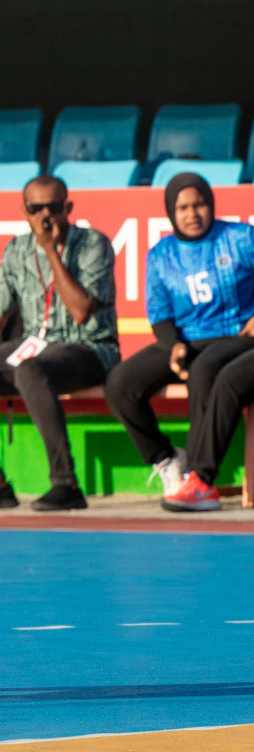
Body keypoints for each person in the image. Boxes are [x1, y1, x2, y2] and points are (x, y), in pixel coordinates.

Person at [0, 175, 119, 513]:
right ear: (24, 211)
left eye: (54, 207)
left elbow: (81, 312)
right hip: (36, 345)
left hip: (90, 349)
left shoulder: (94, 244)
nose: (46, 215)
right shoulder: (17, 249)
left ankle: (66, 485)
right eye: (37, 208)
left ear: (69, 207)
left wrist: (51, 251)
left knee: (31, 372)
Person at [104, 173, 254, 512]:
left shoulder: (241, 238)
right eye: (183, 207)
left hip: (237, 337)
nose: (193, 213)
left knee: (206, 369)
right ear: (172, 212)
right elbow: (158, 312)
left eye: (199, 204)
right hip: (186, 339)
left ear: (210, 204)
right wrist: (172, 345)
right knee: (120, 383)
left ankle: (200, 480)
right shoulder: (161, 254)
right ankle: (167, 458)